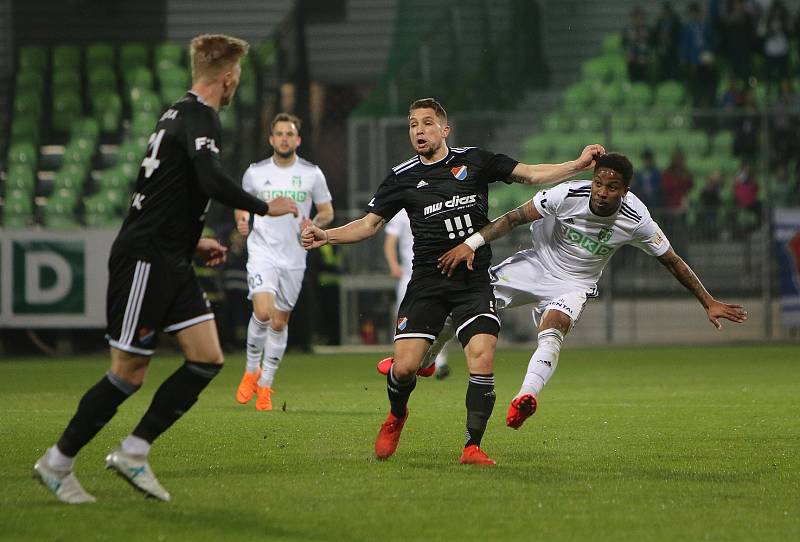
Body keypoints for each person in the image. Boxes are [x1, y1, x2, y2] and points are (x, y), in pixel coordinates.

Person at [33, 34, 299, 504]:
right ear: (229, 77)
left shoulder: (176, 113)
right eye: (237, 76)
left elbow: (163, 188)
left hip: (171, 255)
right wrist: (264, 205)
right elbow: (210, 179)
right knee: (128, 372)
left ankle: (134, 452)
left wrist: (190, 241)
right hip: (145, 259)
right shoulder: (200, 117)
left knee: (207, 358)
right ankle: (57, 461)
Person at [301, 97, 605, 465]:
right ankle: (397, 415)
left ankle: (471, 446)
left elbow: (531, 174)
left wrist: (576, 164)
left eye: (427, 123)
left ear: (445, 130)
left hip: (473, 282)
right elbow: (368, 225)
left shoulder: (475, 161)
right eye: (413, 125)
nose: (419, 131)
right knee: (405, 368)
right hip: (427, 284)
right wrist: (326, 235)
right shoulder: (402, 177)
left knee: (482, 358)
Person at [429, 153, 747, 431]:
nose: (602, 192)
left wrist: (708, 301)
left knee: (553, 332)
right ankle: (426, 360)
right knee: (463, 306)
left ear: (625, 191)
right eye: (599, 183)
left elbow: (672, 261)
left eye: (611, 188)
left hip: (574, 284)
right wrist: (469, 244)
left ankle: (525, 396)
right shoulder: (566, 194)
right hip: (535, 266)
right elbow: (513, 218)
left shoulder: (637, 220)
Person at [234, 113, 333, 411]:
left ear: (297, 139)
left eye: (289, 134)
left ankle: (266, 386)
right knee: (263, 313)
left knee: (279, 322)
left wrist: (314, 223)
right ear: (271, 139)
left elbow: (327, 211)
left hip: (294, 257)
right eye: (279, 134)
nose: (284, 138)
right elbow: (242, 202)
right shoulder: (255, 172)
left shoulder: (311, 174)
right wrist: (241, 220)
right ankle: (252, 370)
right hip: (262, 251)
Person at [383, 208, 450, 379]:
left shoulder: (436, 204)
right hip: (409, 276)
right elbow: (390, 241)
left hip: (434, 273)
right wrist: (393, 264)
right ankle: (401, 360)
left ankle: (438, 362)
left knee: (441, 317)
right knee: (403, 319)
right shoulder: (401, 212)